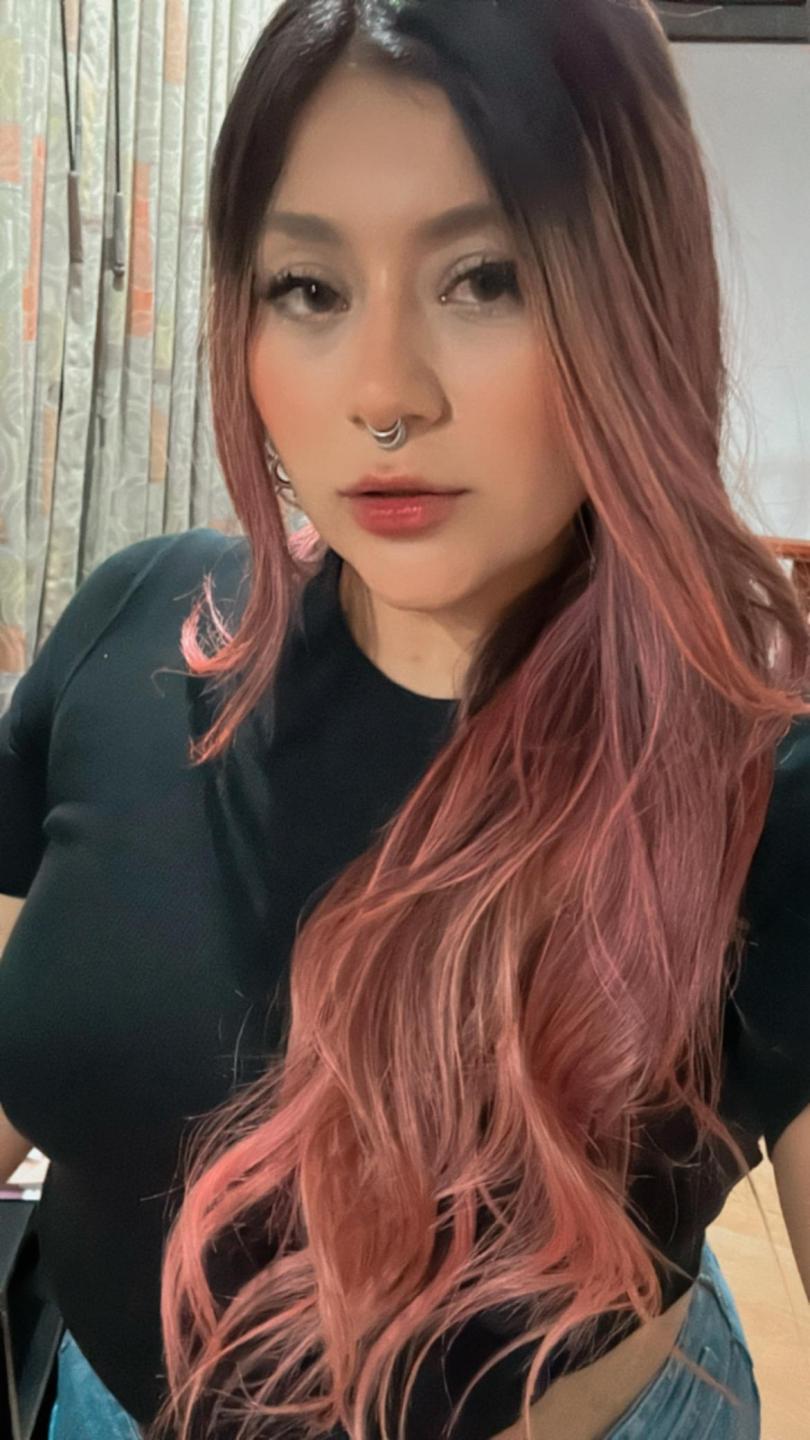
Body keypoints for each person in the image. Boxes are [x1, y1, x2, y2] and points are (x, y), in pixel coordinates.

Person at [1, 1, 808, 1437]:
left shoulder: (763, 779)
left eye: (484, 277)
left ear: (634, 300)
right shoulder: (133, 624)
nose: (381, 396)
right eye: (309, 287)